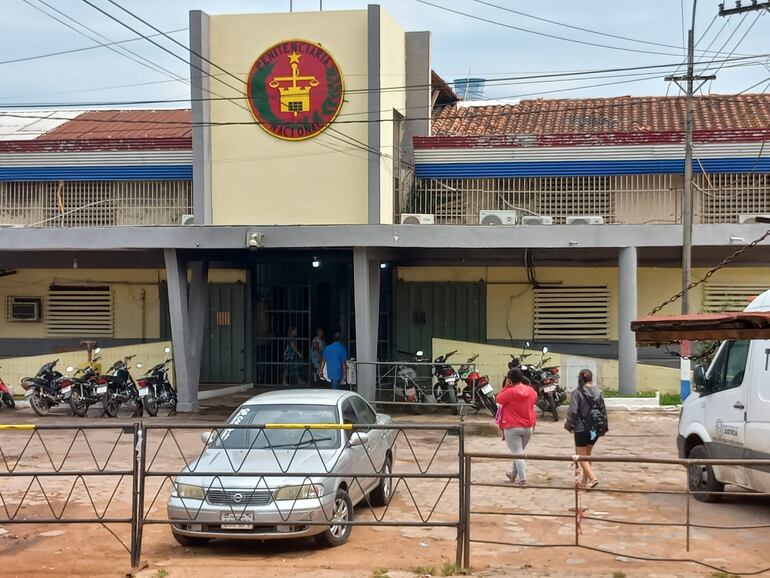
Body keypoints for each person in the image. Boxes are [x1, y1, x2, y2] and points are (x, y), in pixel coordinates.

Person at [564, 369, 608, 489]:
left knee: (581, 455)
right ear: (591, 378)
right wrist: (603, 428)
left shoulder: (577, 393)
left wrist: (569, 425)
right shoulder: (598, 392)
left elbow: (573, 411)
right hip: (594, 428)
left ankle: (593, 478)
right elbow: (603, 410)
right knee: (587, 454)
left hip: (581, 428)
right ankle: (585, 480)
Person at [496, 368, 538, 486]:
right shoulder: (531, 391)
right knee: (518, 452)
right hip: (528, 427)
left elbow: (498, 399)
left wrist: (507, 386)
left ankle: (522, 478)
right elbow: (535, 398)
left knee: (517, 452)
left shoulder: (510, 391)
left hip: (512, 426)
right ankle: (513, 473)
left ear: (509, 379)